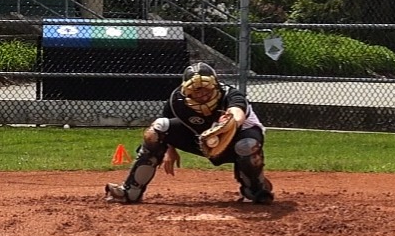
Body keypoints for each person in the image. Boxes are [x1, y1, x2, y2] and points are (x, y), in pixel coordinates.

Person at [105, 61, 274, 206]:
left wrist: (228, 123)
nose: (202, 94)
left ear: (215, 84)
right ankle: (130, 191)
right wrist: (170, 151)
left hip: (235, 140)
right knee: (155, 131)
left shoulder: (230, 94)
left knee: (246, 145)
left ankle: (256, 189)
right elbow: (165, 125)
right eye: (196, 90)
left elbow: (237, 114)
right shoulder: (176, 101)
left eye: (206, 88)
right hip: (201, 140)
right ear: (186, 90)